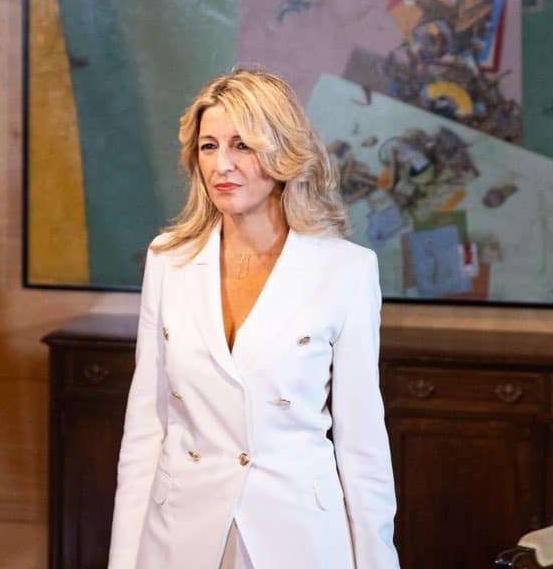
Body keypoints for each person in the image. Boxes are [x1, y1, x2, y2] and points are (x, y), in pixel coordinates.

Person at [108, 70, 399, 569]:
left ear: (282, 151)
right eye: (209, 146)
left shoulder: (347, 271)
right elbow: (146, 428)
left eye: (242, 145)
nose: (222, 165)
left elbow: (362, 446)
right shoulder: (168, 260)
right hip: (180, 533)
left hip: (297, 536)